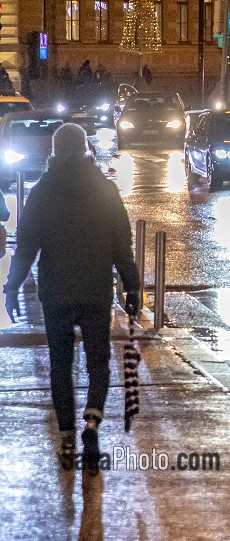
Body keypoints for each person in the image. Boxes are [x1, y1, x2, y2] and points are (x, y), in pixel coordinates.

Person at [3, 123, 138, 466]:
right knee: (98, 362)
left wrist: (13, 286)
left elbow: (27, 246)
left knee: (61, 365)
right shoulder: (106, 189)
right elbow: (122, 244)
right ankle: (92, 421)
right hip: (95, 289)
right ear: (85, 149)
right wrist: (132, 285)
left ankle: (66, 437)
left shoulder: (42, 191)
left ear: (54, 150)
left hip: (56, 292)